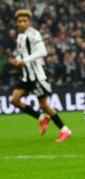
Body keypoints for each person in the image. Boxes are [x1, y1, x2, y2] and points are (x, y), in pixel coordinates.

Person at [9, 9, 72, 142]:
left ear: (29, 22)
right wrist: (17, 60)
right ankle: (41, 118)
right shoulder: (20, 36)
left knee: (44, 106)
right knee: (15, 100)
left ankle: (65, 130)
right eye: (19, 21)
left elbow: (43, 51)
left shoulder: (34, 34)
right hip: (26, 76)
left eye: (24, 21)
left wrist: (24, 60)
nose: (21, 23)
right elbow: (21, 53)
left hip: (37, 76)